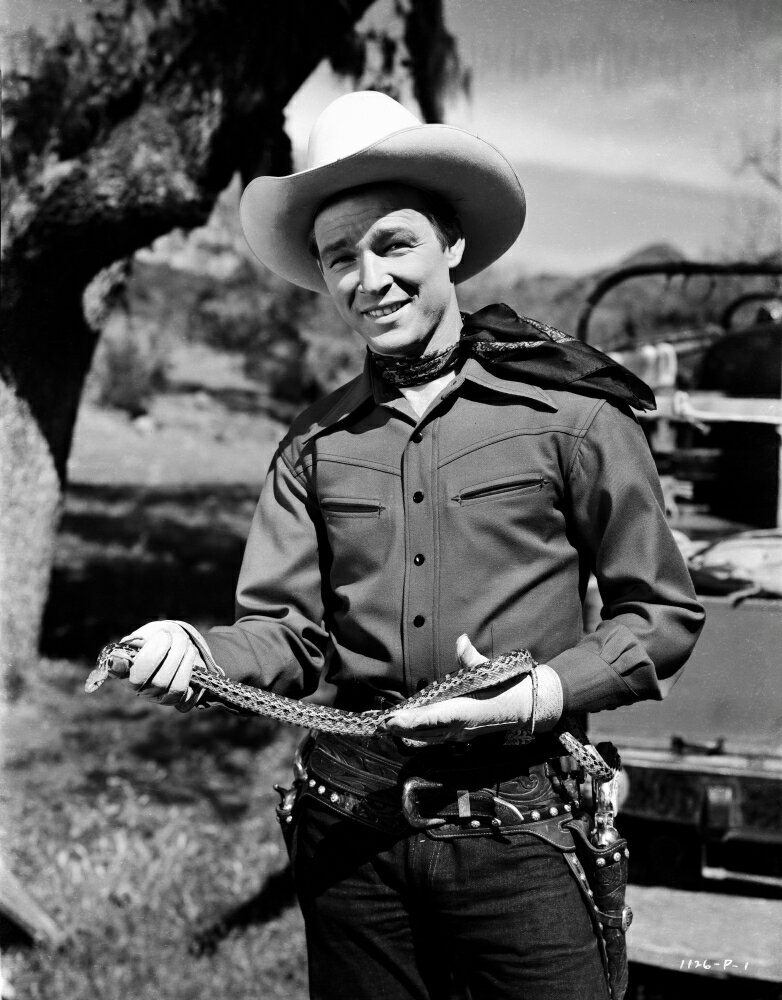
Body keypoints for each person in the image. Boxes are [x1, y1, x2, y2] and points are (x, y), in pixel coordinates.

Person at [123, 92, 704, 999]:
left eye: (393, 244)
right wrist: (195, 651)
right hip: (352, 827)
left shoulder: (575, 418)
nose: (368, 280)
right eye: (339, 258)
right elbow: (288, 635)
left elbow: (660, 613)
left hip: (528, 825)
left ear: (452, 245)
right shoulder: (313, 445)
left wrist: (544, 692)